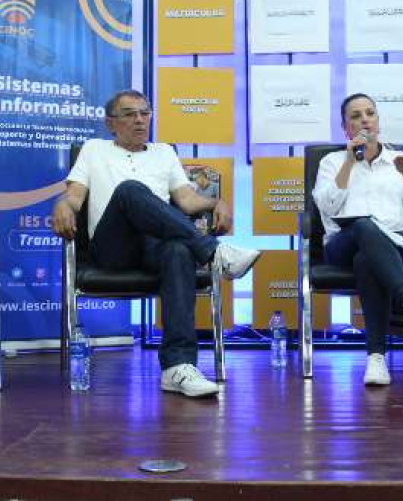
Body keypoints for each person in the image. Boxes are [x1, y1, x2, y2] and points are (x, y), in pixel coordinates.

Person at [52, 90, 260, 398]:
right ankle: (215, 253)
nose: (139, 119)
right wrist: (62, 205)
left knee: (177, 250)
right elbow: (75, 196)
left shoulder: (164, 152)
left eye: (144, 113)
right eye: (129, 114)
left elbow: (187, 200)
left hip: (155, 248)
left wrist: (218, 201)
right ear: (111, 123)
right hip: (113, 249)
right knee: (130, 190)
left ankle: (178, 367)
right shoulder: (94, 149)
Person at [312, 93, 403, 386]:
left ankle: (376, 360)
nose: (364, 119)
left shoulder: (400, 161)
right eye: (355, 116)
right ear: (346, 127)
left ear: (378, 122)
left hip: (396, 247)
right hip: (341, 246)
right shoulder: (332, 162)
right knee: (364, 226)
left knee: (366, 260)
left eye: (370, 113)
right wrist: (348, 161)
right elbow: (329, 208)